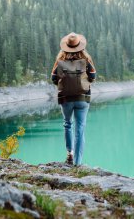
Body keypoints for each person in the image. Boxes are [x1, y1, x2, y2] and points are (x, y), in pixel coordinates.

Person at [51, 32, 96, 166]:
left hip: (65, 99)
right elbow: (93, 76)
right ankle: (77, 163)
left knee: (67, 124)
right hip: (82, 98)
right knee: (80, 129)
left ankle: (69, 154)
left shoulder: (60, 60)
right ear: (80, 45)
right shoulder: (86, 59)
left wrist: (64, 85)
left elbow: (53, 78)